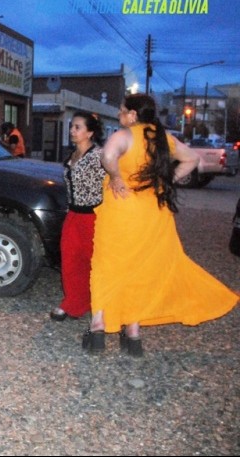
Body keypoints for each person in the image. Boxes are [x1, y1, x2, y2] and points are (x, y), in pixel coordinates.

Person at [84, 93, 238, 357]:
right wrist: (166, 182)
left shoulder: (125, 135)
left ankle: (98, 327)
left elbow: (108, 155)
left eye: (122, 111)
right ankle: (132, 333)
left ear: (133, 115)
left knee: (107, 265)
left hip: (121, 210)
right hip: (152, 212)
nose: (120, 116)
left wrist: (117, 176)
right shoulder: (164, 139)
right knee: (139, 269)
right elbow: (193, 160)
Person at [49, 112, 105, 322]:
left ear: (90, 132)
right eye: (72, 126)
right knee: (70, 260)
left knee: (94, 262)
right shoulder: (72, 155)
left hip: (93, 216)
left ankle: (99, 304)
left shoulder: (99, 155)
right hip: (73, 214)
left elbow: (114, 175)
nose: (72, 130)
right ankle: (73, 303)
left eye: (78, 127)